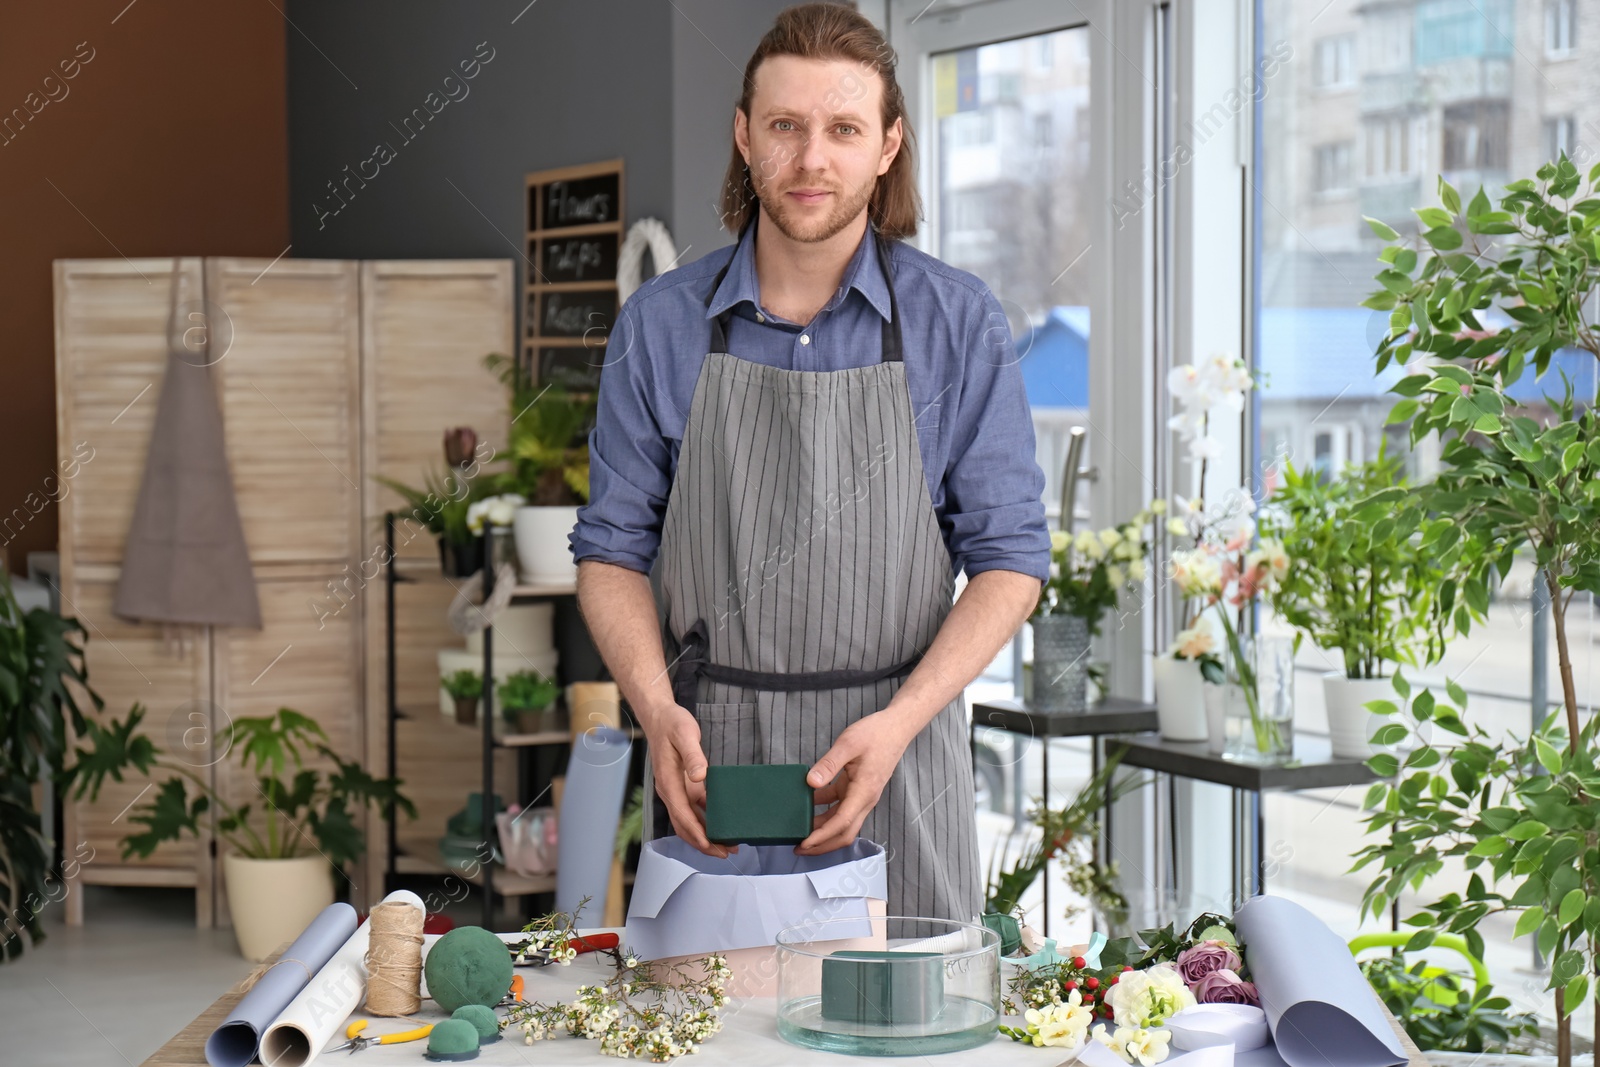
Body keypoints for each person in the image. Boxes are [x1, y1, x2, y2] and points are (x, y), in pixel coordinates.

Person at [570, 2, 1048, 922]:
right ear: (745, 137)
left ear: (887, 145)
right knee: (711, 1036)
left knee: (906, 1046)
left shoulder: (958, 325)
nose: (811, 159)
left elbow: (1011, 562)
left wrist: (900, 721)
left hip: (899, 755)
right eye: (786, 126)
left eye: (843, 129)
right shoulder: (661, 327)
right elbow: (610, 551)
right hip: (714, 764)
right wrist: (658, 710)